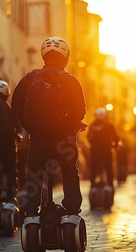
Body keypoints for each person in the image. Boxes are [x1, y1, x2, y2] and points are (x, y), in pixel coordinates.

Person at [11, 37, 86, 217]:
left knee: (35, 172)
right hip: (64, 138)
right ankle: (72, 210)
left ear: (44, 56)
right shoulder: (70, 81)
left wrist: (30, 125)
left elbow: (16, 106)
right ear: (65, 57)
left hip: (38, 138)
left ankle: (31, 210)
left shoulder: (30, 78)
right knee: (69, 171)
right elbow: (80, 110)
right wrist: (70, 125)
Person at [87, 107, 121, 188]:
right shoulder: (109, 125)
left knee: (93, 168)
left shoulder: (92, 126)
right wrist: (116, 146)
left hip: (95, 152)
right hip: (106, 151)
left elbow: (89, 138)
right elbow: (116, 137)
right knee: (109, 168)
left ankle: (92, 185)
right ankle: (110, 185)